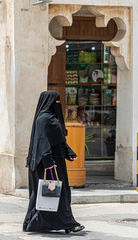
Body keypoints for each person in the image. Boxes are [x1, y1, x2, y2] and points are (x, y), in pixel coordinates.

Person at [23, 90, 85, 233]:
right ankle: (68, 223)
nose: (58, 103)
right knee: (54, 194)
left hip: (54, 162)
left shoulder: (51, 118)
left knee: (52, 195)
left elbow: (58, 140)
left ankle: (36, 223)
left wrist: (69, 152)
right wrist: (49, 163)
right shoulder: (43, 119)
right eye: (56, 101)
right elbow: (42, 142)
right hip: (47, 165)